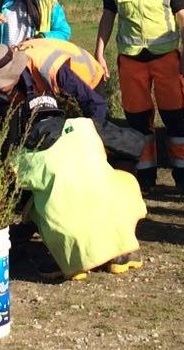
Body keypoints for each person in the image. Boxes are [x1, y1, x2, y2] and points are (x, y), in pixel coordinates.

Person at [94, 0, 184, 194]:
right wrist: (99, 53)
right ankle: (145, 177)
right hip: (131, 60)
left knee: (175, 119)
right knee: (138, 122)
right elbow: (108, 18)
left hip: (166, 58)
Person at [12, 96, 147, 282]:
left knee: (35, 204)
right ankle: (123, 250)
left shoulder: (25, 153)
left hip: (67, 227)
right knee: (125, 180)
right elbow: (134, 143)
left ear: (27, 123)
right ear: (58, 114)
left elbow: (14, 195)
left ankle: (68, 260)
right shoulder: (86, 126)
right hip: (110, 209)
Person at [0, 38, 109, 130]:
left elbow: (97, 106)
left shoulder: (51, 70)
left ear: (13, 74)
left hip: (88, 80)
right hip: (55, 89)